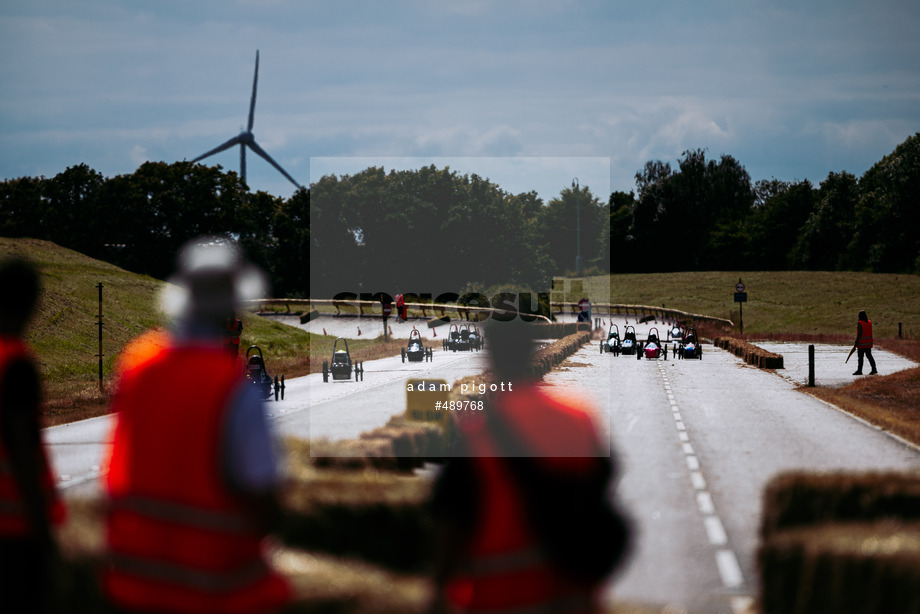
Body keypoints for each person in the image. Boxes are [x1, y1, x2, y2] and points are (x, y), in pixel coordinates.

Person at [102, 237, 291, 614]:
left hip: (135, 577)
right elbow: (262, 490)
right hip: (213, 584)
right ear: (233, 306)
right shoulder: (232, 388)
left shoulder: (137, 365)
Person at [428, 318, 629, 614]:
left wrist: (435, 595)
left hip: (499, 600)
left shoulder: (477, 437)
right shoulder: (579, 418)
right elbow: (604, 490)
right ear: (532, 353)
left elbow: (450, 527)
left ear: (491, 357)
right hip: (573, 599)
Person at [0, 258, 67, 614]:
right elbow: (22, 450)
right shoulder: (16, 362)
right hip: (12, 529)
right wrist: (44, 532)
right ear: (30, 302)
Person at [853, 310, 878, 376]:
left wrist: (856, 343)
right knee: (869, 356)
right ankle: (874, 369)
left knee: (860, 358)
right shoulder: (869, 322)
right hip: (868, 344)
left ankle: (859, 371)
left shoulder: (860, 323)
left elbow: (859, 334)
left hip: (861, 344)